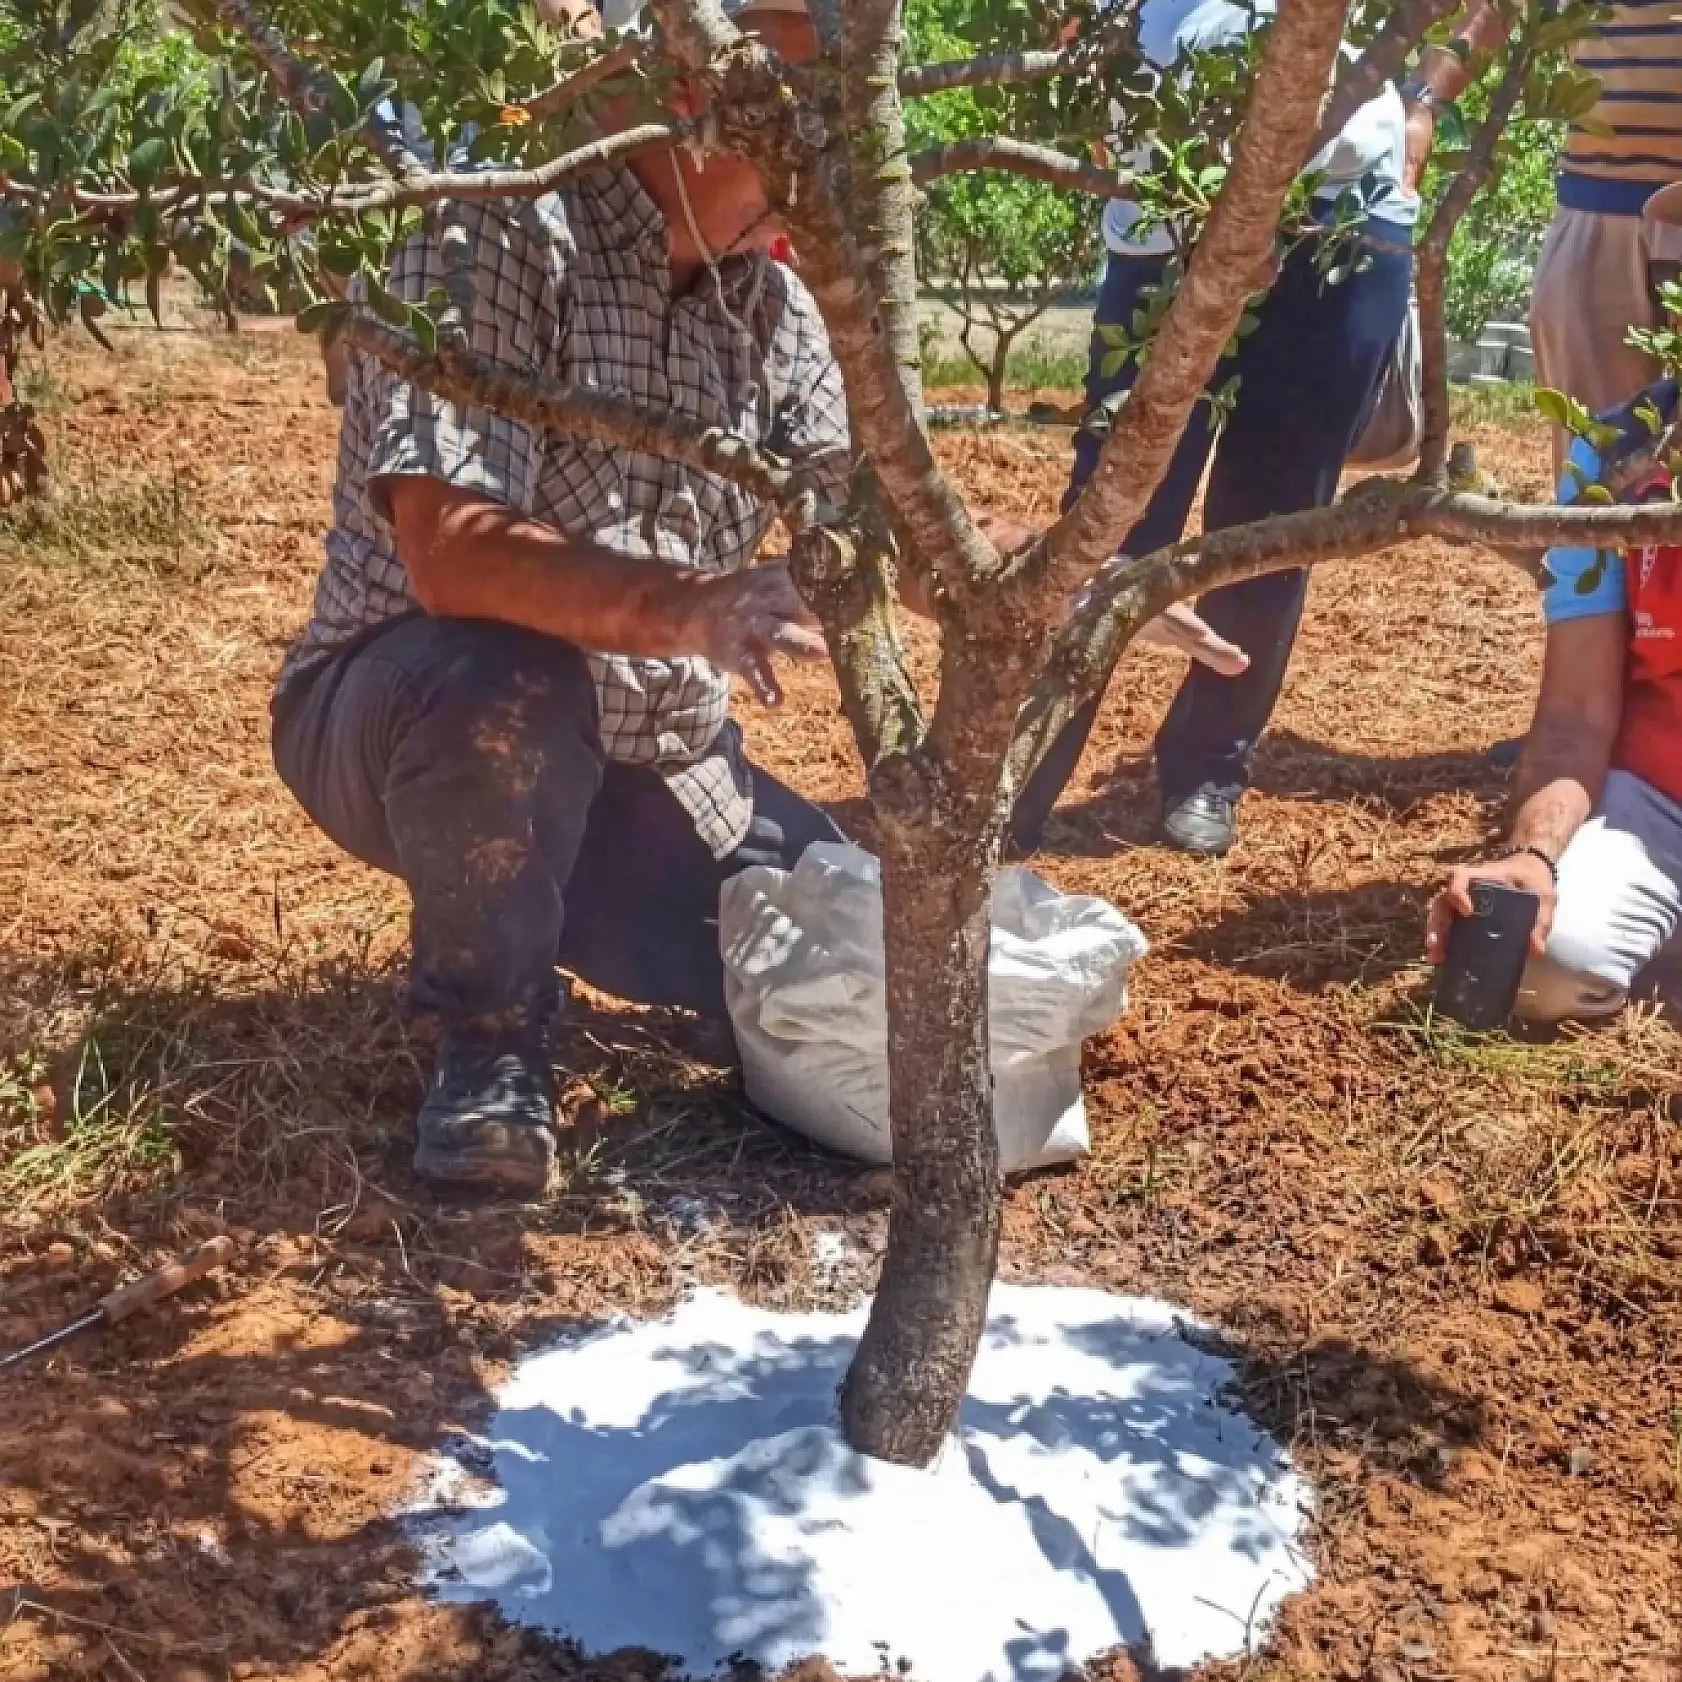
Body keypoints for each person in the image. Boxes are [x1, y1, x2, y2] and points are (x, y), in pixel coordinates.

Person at [1009, 0, 1426, 859]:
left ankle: (1208, 766)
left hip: (1342, 225)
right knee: (1112, 516)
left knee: (1271, 523)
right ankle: (1019, 767)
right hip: (1169, 214)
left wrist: (1419, 108)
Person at [1425, 376, 1682, 1022]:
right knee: (1537, 964)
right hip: (1656, 803)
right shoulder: (1615, 452)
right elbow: (1575, 717)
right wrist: (1529, 856)